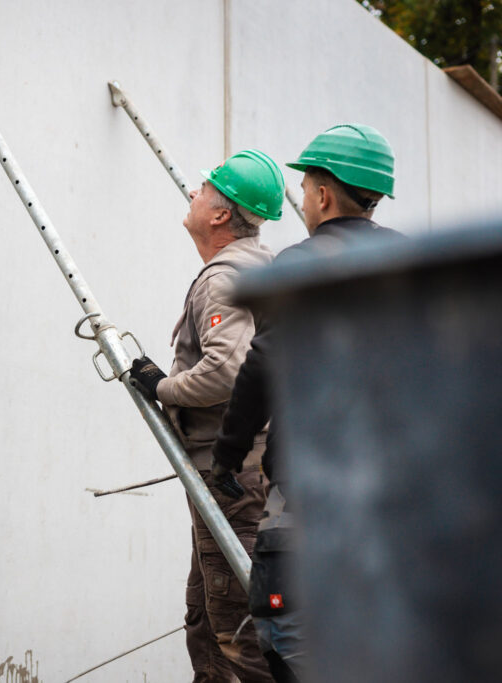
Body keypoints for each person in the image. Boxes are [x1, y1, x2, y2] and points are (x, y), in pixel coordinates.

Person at [210, 124, 403, 683]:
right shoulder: (409, 262)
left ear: (321, 195)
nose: (302, 199)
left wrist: (229, 455)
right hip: (395, 504)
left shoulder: (299, 264)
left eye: (306, 188)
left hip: (310, 498)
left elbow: (261, 366)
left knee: (286, 639)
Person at [129, 150, 284, 682]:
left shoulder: (224, 279)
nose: (192, 193)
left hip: (231, 473)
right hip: (246, 470)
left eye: (202, 189)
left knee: (236, 626)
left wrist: (161, 386)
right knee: (206, 616)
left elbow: (227, 371)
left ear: (220, 215)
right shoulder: (262, 266)